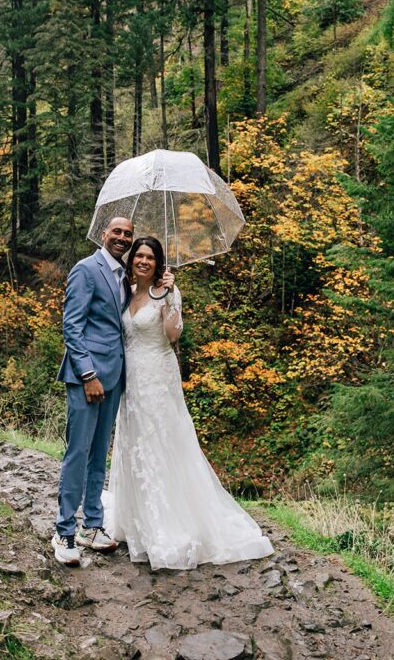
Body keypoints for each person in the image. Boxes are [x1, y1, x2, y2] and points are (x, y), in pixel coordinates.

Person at [105, 236, 274, 570]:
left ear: (158, 262)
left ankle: (168, 523)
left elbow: (173, 335)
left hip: (158, 374)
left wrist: (169, 298)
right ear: (131, 260)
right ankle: (134, 518)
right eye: (138, 255)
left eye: (149, 257)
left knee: (161, 442)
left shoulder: (167, 291)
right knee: (134, 441)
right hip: (131, 378)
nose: (142, 261)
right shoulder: (125, 290)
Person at [51, 216, 134, 566]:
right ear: (104, 234)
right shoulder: (86, 269)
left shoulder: (125, 277)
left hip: (114, 376)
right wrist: (87, 374)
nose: (122, 237)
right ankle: (64, 529)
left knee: (100, 453)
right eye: (117, 232)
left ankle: (93, 526)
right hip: (87, 378)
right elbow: (72, 326)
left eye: (128, 234)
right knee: (78, 452)